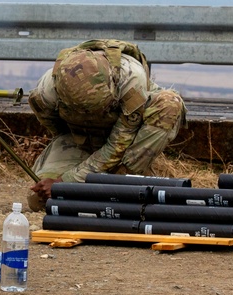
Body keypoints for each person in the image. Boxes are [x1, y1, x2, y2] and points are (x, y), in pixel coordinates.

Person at [26, 39, 185, 211]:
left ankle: (122, 180)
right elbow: (56, 129)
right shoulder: (46, 92)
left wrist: (66, 181)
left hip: (126, 141)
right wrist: (67, 172)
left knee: (169, 104)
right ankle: (98, 185)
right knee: (39, 200)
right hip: (81, 139)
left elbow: (117, 146)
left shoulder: (131, 80)